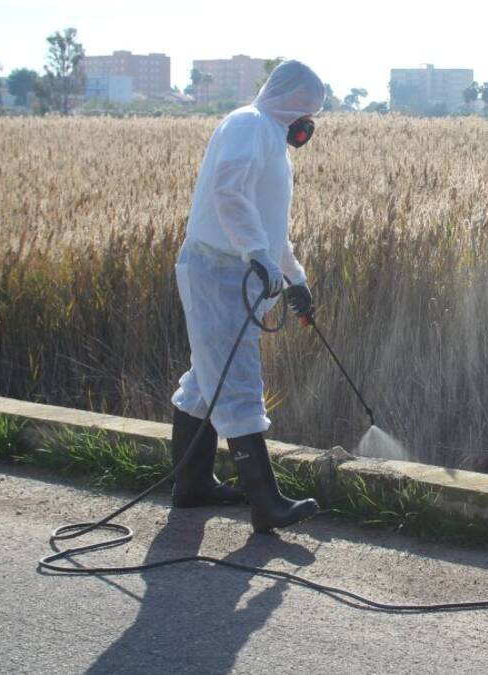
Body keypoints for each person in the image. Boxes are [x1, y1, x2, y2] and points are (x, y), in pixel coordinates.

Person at [168, 60, 323, 533]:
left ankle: (192, 486)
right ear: (295, 100)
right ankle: (266, 504)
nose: (309, 123)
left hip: (235, 271)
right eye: (308, 110)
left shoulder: (273, 141)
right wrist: (255, 252)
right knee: (235, 379)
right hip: (217, 269)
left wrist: (295, 279)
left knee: (205, 381)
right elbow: (229, 193)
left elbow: (269, 225)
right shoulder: (247, 124)